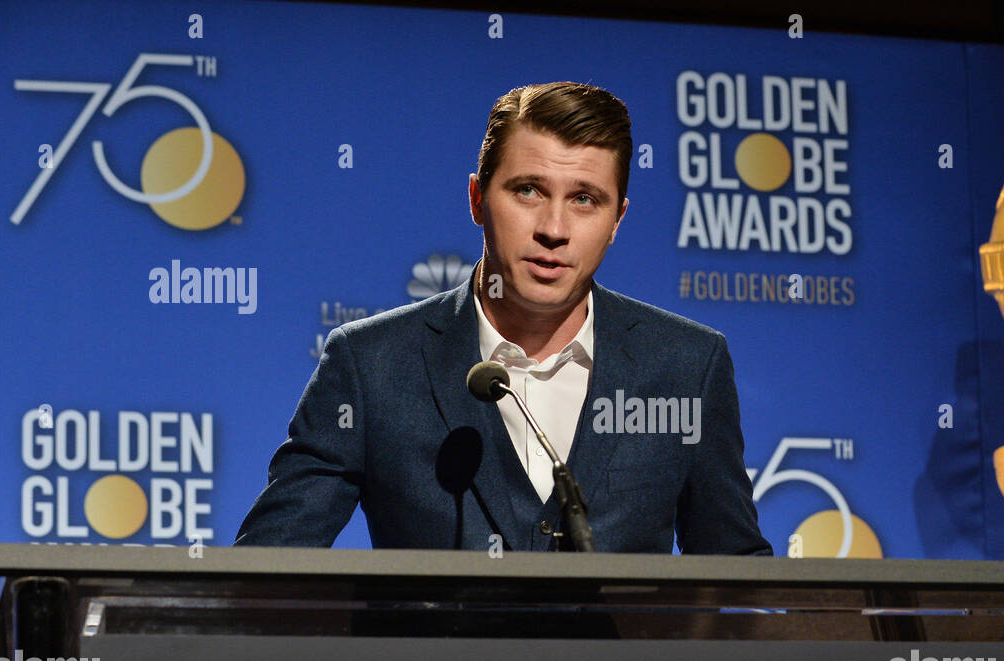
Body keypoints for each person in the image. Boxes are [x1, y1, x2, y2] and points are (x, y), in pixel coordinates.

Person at [234, 81, 771, 555]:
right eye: (528, 191)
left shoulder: (685, 366)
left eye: (585, 199)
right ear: (477, 198)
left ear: (616, 220)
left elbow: (733, 581)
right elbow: (268, 570)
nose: (554, 229)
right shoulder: (370, 365)